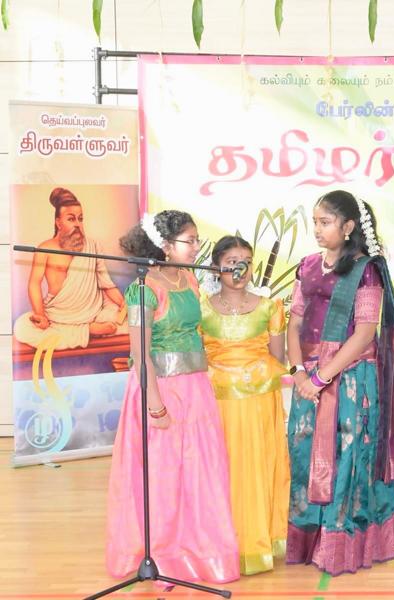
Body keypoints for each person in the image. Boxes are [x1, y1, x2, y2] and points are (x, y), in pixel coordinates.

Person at [285, 190, 394, 576]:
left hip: (350, 380)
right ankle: (310, 539)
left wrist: (321, 377)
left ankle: (342, 544)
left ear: (348, 227)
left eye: (325, 222)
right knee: (304, 454)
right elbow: (294, 324)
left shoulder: (366, 270)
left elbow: (364, 335)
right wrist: (299, 373)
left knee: (348, 457)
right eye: (315, 222)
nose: (317, 229)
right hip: (307, 380)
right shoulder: (307, 266)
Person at [106, 211, 239, 584]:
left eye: (196, 239)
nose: (196, 246)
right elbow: (140, 355)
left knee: (199, 472)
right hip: (159, 389)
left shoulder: (189, 279)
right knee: (163, 475)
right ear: (164, 245)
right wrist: (155, 405)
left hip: (195, 390)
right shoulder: (144, 289)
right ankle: (164, 552)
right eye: (189, 240)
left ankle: (198, 551)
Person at [200, 235, 290, 575]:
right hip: (218, 404)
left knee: (259, 466)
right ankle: (225, 543)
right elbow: (198, 359)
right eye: (231, 262)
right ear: (216, 267)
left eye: (246, 262)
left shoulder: (270, 307)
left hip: (259, 402)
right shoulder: (202, 309)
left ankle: (260, 541)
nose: (240, 269)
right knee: (224, 469)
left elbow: (278, 358)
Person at [14, 187, 126, 349]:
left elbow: (106, 283)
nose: (77, 224)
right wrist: (40, 314)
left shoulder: (92, 246)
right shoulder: (45, 249)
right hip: (59, 314)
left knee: (127, 319)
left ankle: (85, 329)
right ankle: (88, 330)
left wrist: (123, 304)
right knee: (22, 327)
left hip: (92, 311)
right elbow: (34, 284)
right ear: (58, 222)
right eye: (71, 219)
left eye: (80, 219)